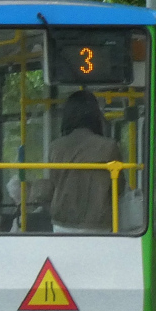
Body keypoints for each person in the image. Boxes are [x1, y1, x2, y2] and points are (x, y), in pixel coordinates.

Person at [45, 90, 123, 232]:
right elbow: (119, 188)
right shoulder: (109, 146)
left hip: (62, 221)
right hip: (97, 223)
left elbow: (53, 183)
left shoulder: (55, 147)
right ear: (95, 115)